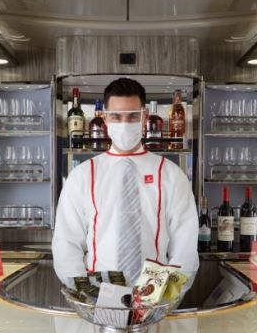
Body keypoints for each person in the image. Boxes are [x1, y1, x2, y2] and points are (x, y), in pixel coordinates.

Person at [52, 77, 199, 288]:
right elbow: (66, 243)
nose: (124, 124)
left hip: (154, 295)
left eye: (132, 117)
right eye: (116, 116)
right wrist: (87, 293)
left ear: (144, 117)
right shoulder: (82, 176)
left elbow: (184, 247)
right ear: (104, 119)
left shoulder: (171, 174)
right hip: (98, 293)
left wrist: (160, 297)